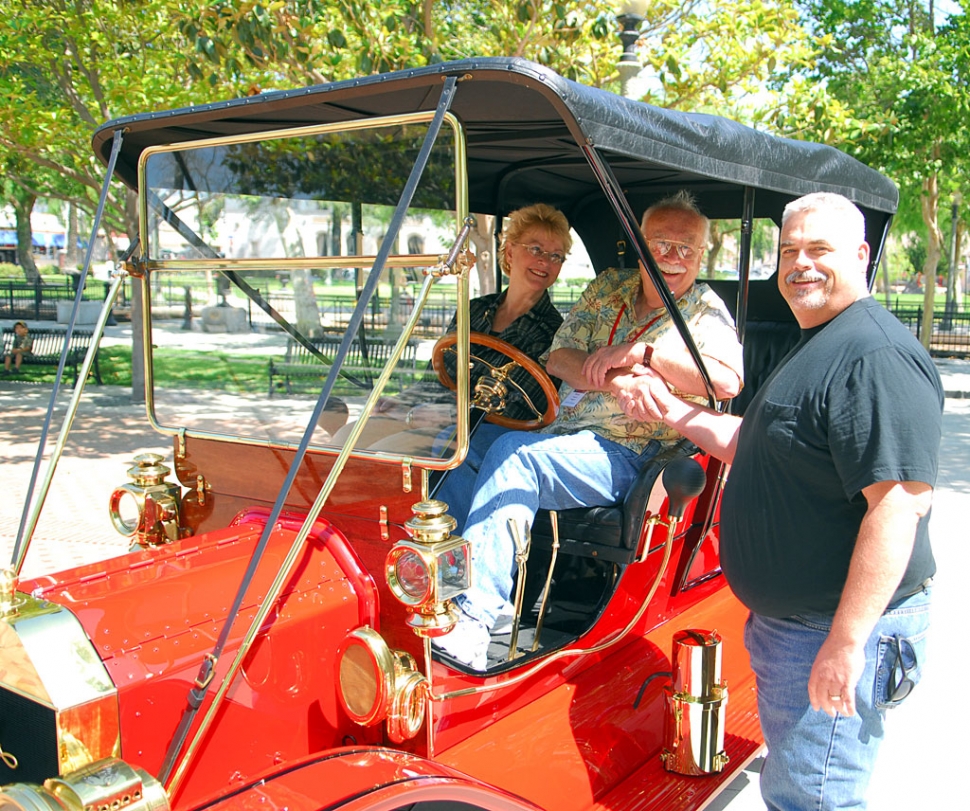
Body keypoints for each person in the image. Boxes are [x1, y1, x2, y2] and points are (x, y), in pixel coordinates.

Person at [639, 192, 943, 810]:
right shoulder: (821, 341)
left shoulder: (874, 356)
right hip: (795, 626)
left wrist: (846, 644)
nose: (800, 264)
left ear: (861, 256)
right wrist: (672, 410)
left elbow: (897, 506)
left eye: (818, 250)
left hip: (830, 628)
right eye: (789, 251)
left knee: (814, 797)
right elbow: (761, 443)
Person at [433, 190, 744, 670]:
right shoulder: (607, 290)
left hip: (630, 453)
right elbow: (559, 358)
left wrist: (644, 355)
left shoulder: (704, 308)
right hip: (562, 433)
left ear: (702, 255)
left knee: (518, 454)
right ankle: (437, 593)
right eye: (660, 244)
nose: (672, 258)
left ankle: (474, 621)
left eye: (687, 249)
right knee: (467, 448)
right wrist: (618, 375)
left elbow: (725, 379)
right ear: (639, 245)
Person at [337, 203, 570, 525]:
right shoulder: (474, 310)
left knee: (386, 458)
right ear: (510, 251)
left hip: (469, 434)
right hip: (427, 417)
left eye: (556, 255)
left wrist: (446, 416)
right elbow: (440, 372)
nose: (545, 261)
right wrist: (402, 402)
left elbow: (520, 411)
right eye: (536, 249)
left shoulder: (553, 331)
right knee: (343, 442)